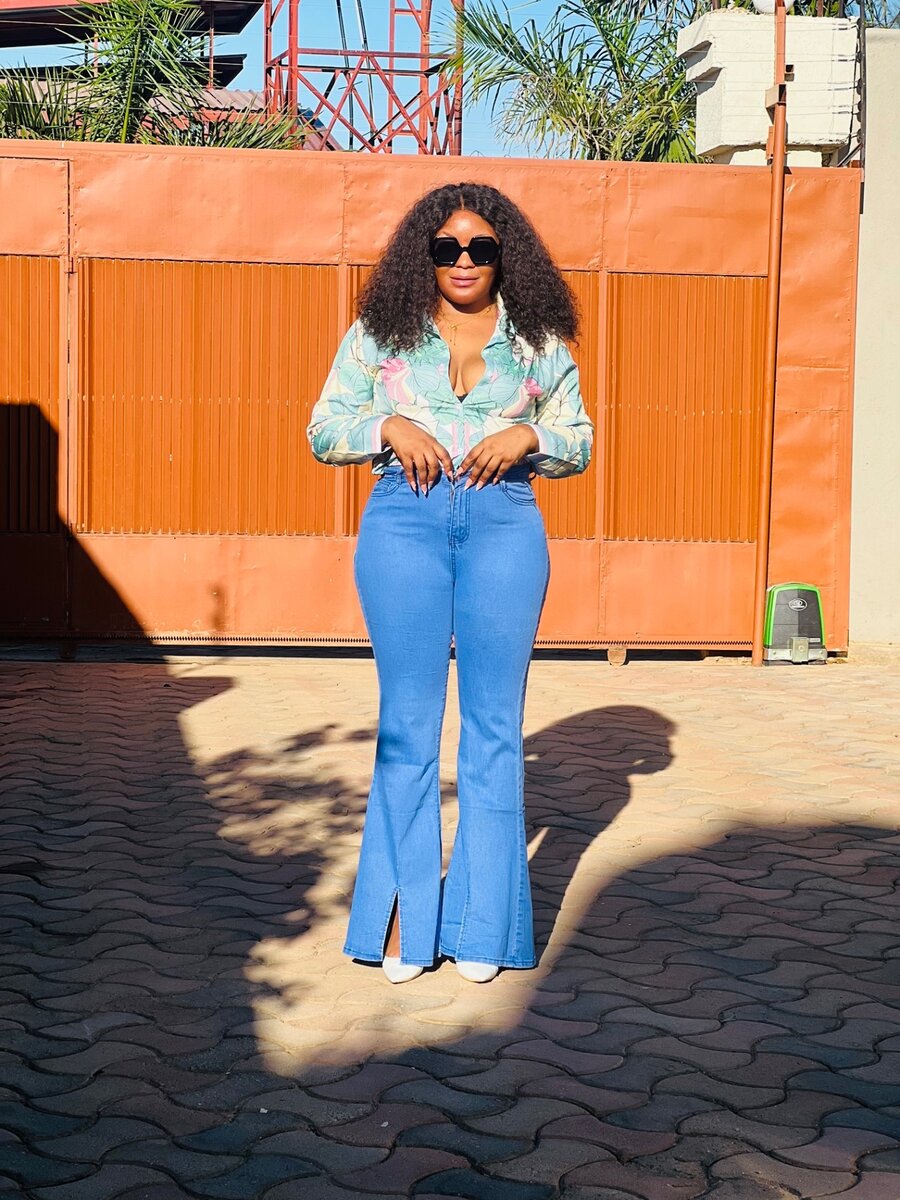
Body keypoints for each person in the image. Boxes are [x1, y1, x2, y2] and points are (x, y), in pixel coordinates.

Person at [307, 182, 593, 984]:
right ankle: (406, 917)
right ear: (423, 256)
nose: (463, 261)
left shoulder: (538, 343)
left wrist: (529, 435)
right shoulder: (379, 334)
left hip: (505, 525)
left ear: (507, 257)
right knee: (407, 725)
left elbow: (579, 439)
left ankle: (482, 924)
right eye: (447, 248)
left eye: (480, 248)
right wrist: (387, 425)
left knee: (495, 727)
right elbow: (323, 428)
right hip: (405, 522)